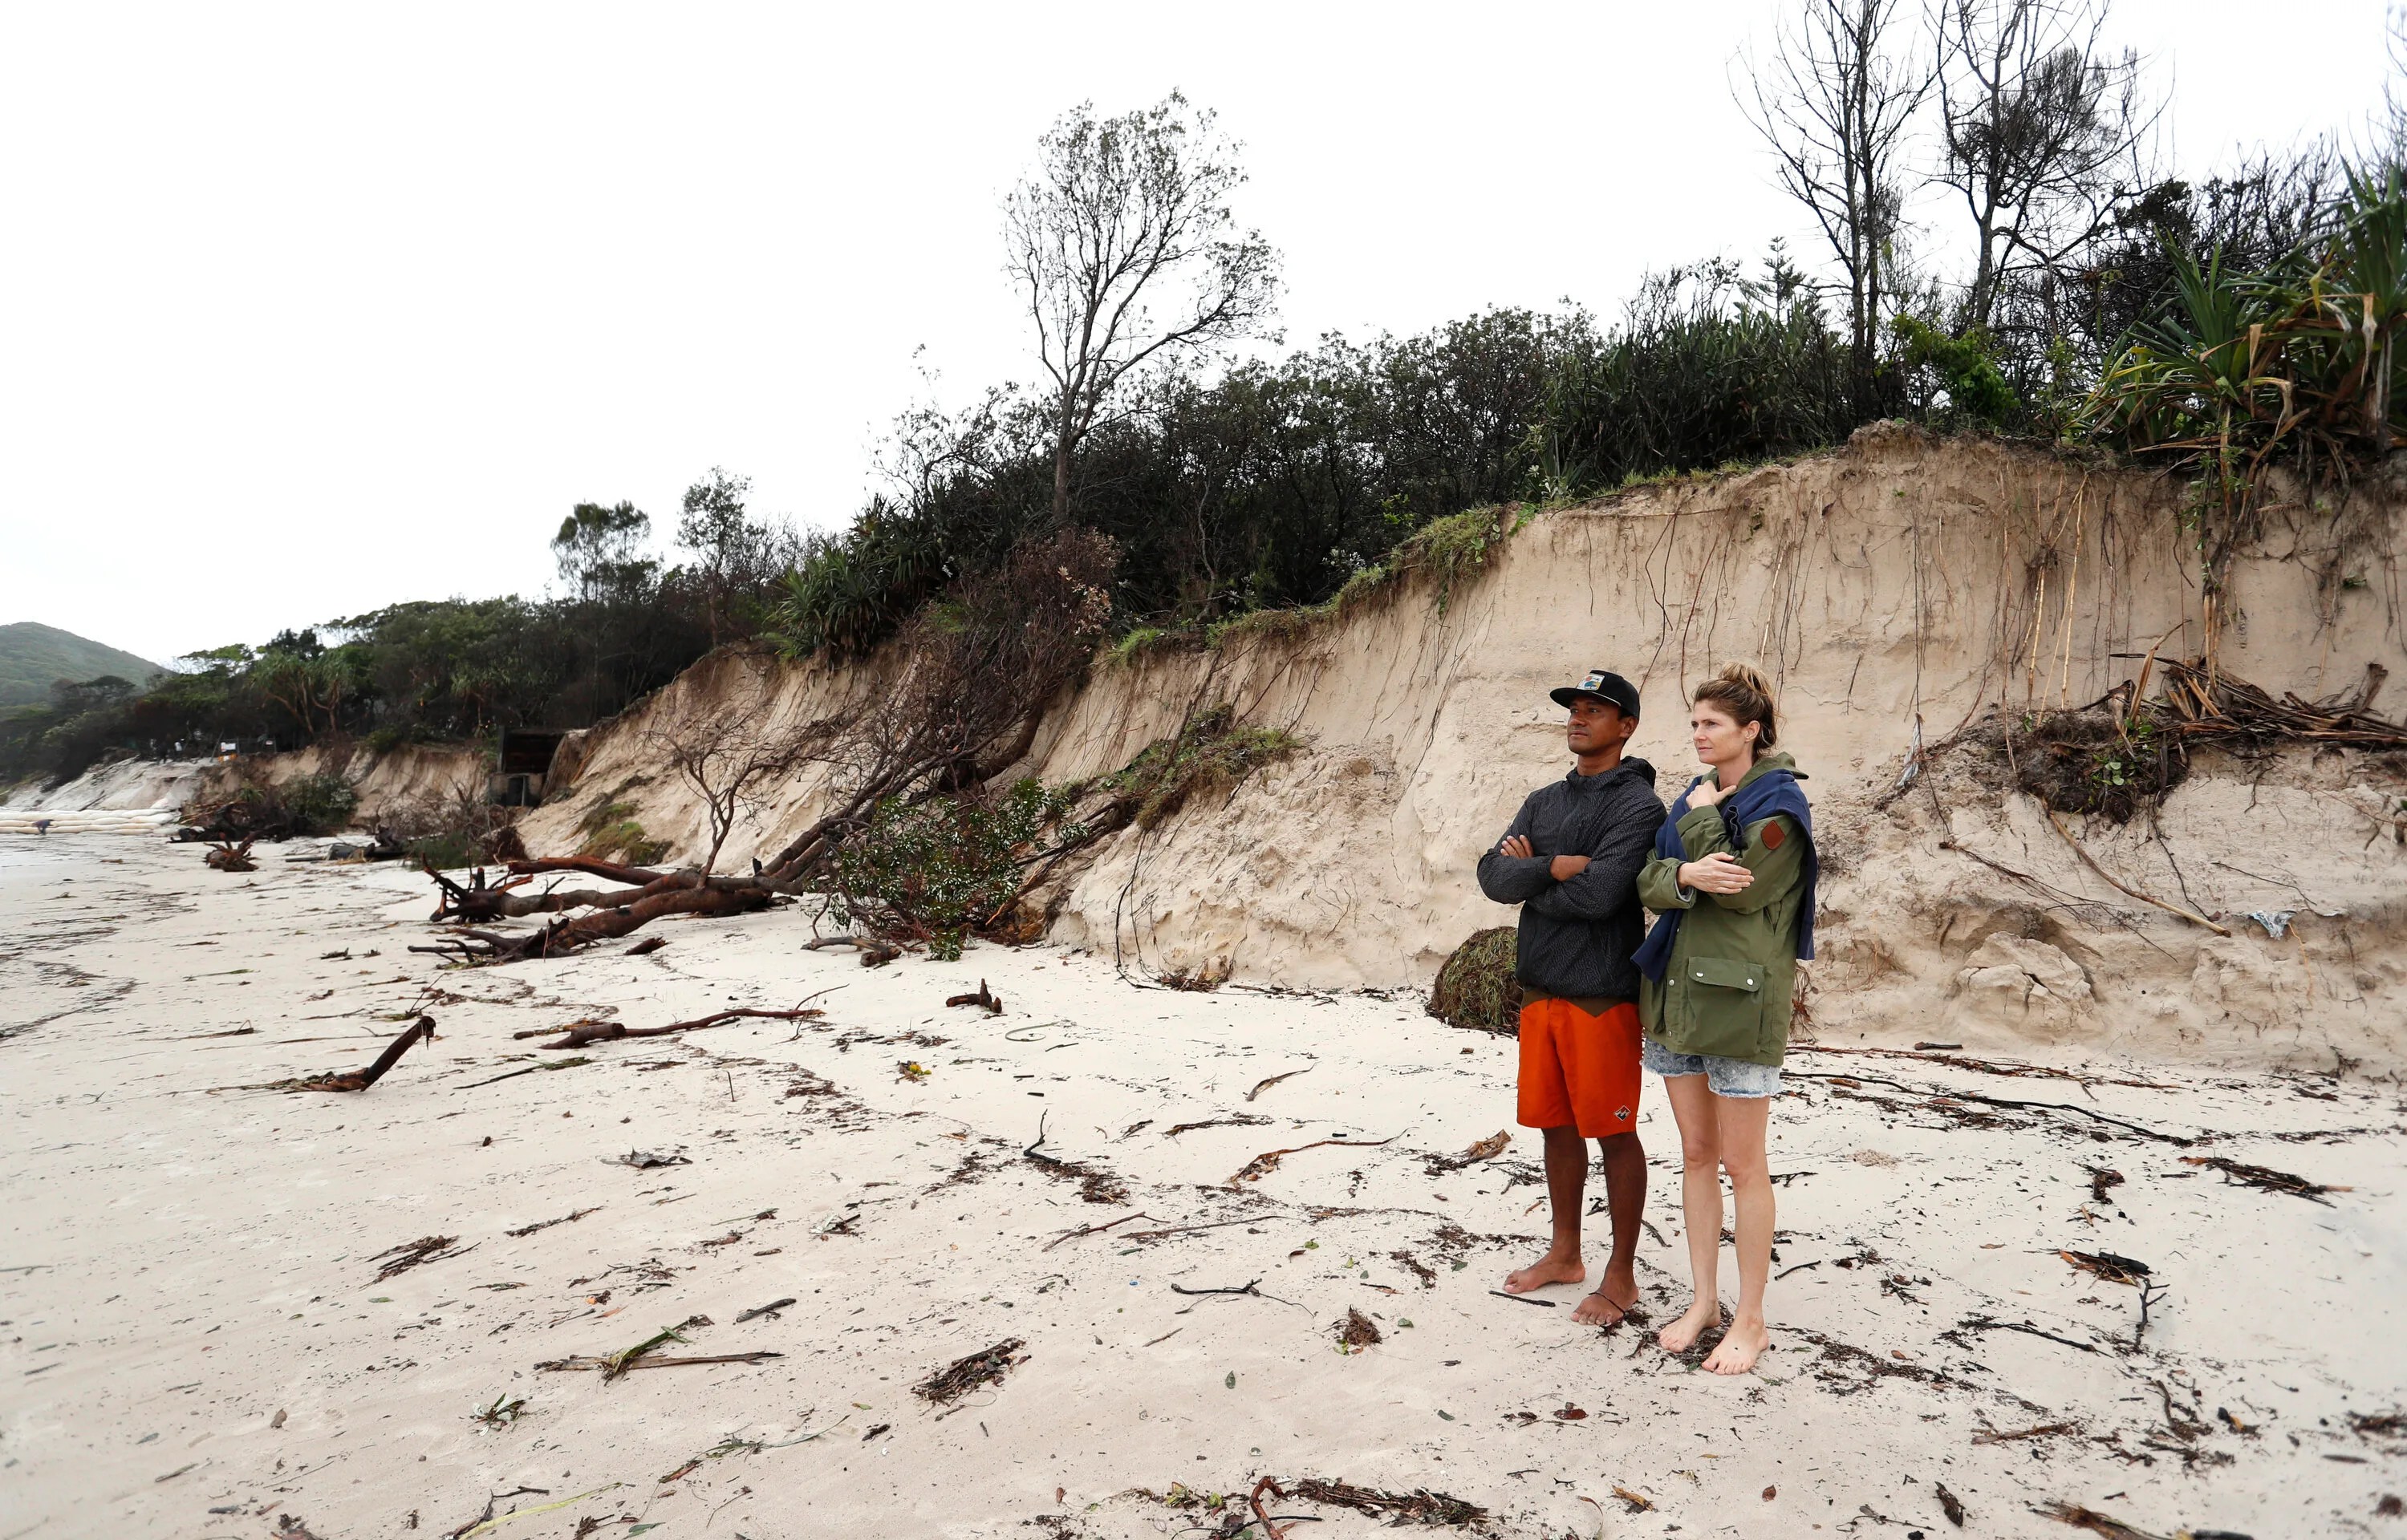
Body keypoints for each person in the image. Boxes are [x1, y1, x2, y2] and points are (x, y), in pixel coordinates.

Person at [1632, 663, 1816, 1375]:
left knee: (1745, 1166)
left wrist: (1704, 846)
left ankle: (1752, 1317)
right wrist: (1684, 875)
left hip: (1740, 1007)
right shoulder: (1691, 798)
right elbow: (1648, 877)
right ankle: (1705, 1299)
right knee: (1698, 1156)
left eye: (1712, 724)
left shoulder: (1783, 808)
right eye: (1695, 724)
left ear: (1753, 730)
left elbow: (1741, 890)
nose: (1699, 735)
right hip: (1676, 1002)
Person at [1475, 669, 1666, 1326]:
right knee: (1554, 1125)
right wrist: (1553, 866)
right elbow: (1492, 875)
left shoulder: (1639, 806)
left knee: (1612, 1131)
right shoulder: (1542, 800)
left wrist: (1535, 876)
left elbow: (1602, 896)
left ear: (1626, 727)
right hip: (1541, 987)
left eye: (1595, 710)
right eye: (1575, 709)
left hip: (1600, 993)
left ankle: (1621, 1273)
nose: (1579, 719)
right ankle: (1565, 1254)